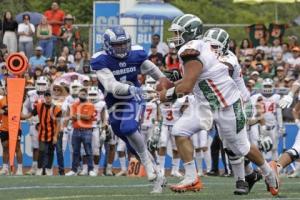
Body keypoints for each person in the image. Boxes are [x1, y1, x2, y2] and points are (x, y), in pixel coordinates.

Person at [160, 13, 279, 196]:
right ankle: (192, 178)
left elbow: (188, 85)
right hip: (204, 105)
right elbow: (190, 80)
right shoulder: (197, 48)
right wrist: (171, 85)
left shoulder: (191, 51)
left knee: (242, 148)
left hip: (227, 106)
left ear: (190, 33)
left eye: (178, 33)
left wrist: (166, 94)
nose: (175, 37)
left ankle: (269, 174)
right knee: (179, 131)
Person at [90, 25, 166, 193]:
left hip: (134, 98)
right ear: (108, 45)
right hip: (115, 104)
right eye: (118, 44)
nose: (122, 47)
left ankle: (149, 166)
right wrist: (131, 88)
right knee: (132, 147)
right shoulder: (101, 60)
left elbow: (153, 71)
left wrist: (165, 82)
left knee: (128, 127)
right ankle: (159, 175)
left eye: (124, 43)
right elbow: (110, 86)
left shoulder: (136, 54)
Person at [23, 90, 62, 176]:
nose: (48, 97)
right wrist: (20, 116)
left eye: (49, 96)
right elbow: (29, 115)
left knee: (50, 152)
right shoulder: (39, 106)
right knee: (41, 151)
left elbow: (59, 124)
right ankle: (39, 169)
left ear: (52, 97)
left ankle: (48, 169)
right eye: (46, 96)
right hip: (42, 133)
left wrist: (55, 136)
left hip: (52, 133)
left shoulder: (57, 108)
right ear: (44, 97)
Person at [65, 88, 97, 177]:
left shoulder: (90, 105)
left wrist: (79, 115)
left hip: (87, 130)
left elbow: (88, 117)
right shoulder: (74, 105)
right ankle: (74, 170)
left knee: (88, 151)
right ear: (78, 95)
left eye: (83, 94)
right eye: (80, 94)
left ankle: (91, 169)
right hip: (76, 130)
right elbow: (72, 116)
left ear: (86, 95)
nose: (82, 95)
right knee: (75, 151)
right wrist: (82, 116)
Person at [23, 76, 49, 175]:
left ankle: (45, 168)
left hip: (46, 124)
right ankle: (34, 168)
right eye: (40, 84)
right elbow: (25, 106)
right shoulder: (31, 94)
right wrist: (27, 117)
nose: (41, 86)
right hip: (34, 122)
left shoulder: (50, 94)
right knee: (35, 147)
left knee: (46, 147)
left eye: (43, 84)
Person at [0, 90, 23, 175]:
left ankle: (20, 169)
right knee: (5, 147)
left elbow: (17, 112)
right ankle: (5, 168)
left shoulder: (17, 99)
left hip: (15, 127)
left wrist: (5, 111)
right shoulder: (2, 100)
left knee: (17, 148)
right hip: (4, 127)